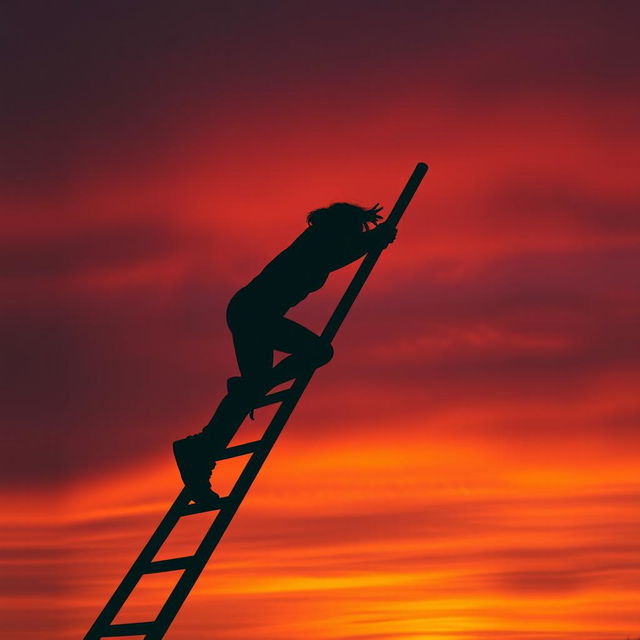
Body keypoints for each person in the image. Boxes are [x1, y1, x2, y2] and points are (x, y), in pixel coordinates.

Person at [173, 202, 397, 503]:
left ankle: (201, 450)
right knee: (317, 353)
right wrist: (373, 240)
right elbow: (335, 254)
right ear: (340, 226)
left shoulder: (325, 241)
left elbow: (341, 253)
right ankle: (218, 429)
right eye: (353, 230)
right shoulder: (318, 239)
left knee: (252, 390)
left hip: (254, 312)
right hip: (254, 312)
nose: (354, 235)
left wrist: (371, 241)